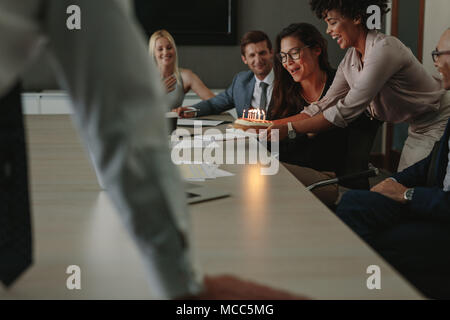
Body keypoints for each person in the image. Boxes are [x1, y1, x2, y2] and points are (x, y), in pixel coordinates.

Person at [0, 0, 302, 299]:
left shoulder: (189, 76)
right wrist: (181, 286)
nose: (165, 53)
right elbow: (122, 118)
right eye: (160, 49)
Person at [268, 0, 450, 172]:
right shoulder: (350, 59)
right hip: (417, 124)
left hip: (439, 117)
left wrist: (290, 129)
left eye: (332, 22)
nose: (328, 30)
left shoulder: (384, 49)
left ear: (356, 17)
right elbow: (323, 105)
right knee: (404, 185)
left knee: (408, 188)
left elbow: (344, 111)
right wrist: (267, 125)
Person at [335, 28, 450, 299]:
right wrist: (395, 181)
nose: (433, 61)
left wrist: (407, 195)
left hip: (442, 216)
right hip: (432, 202)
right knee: (353, 203)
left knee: (368, 235)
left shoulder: (385, 50)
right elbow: (431, 164)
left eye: (439, 53)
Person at [268, 22, 381, 206]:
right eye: (283, 56)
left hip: (332, 180)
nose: (288, 62)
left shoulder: (342, 85)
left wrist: (293, 133)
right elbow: (270, 142)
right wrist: (307, 133)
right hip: (287, 176)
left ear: (316, 49)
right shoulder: (283, 91)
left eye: (294, 53)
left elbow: (337, 148)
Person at [174, 30, 274, 118]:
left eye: (262, 53)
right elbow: (214, 104)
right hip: (247, 138)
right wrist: (192, 110)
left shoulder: (287, 80)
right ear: (244, 59)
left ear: (271, 53)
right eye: (252, 55)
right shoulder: (241, 81)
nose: (258, 60)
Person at [149, 30, 215, 110]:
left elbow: (216, 103)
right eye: (160, 49)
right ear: (153, 53)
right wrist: (156, 93)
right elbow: (135, 110)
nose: (165, 52)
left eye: (169, 47)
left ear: (174, 50)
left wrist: (191, 109)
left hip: (175, 122)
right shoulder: (145, 77)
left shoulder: (186, 76)